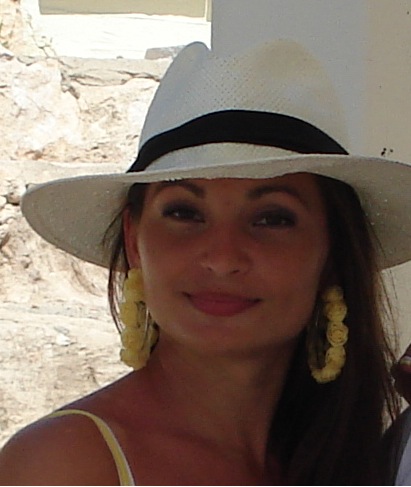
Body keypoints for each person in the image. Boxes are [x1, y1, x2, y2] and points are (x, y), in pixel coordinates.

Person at [1, 38, 411, 485]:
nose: (222, 257)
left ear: (331, 252)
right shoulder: (63, 465)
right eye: (184, 213)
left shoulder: (363, 460)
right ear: (135, 240)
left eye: (272, 218)